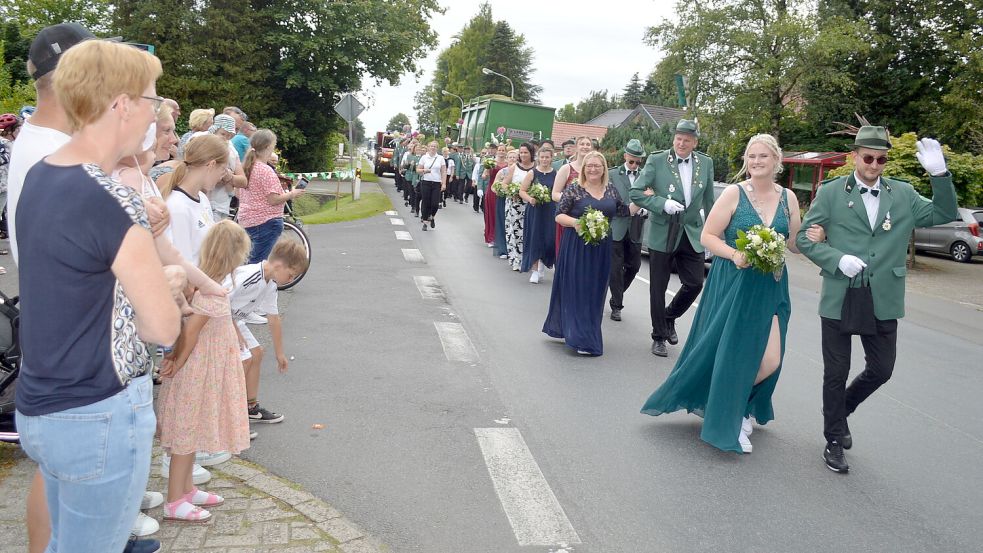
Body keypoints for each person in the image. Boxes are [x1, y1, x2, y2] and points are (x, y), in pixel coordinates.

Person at [15, 37, 182, 552]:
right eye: (153, 100)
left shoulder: (42, 175)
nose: (155, 113)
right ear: (123, 105)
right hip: (99, 410)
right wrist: (168, 283)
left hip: (42, 406)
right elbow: (163, 328)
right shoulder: (112, 199)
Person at [795, 126, 957, 473]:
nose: (873, 164)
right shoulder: (833, 192)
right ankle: (834, 438)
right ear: (855, 156)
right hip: (841, 293)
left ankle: (843, 410)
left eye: (880, 159)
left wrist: (940, 175)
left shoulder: (904, 193)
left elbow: (944, 215)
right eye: (867, 157)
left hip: (883, 296)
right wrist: (836, 258)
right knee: (836, 372)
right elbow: (804, 239)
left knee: (882, 369)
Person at [640, 134, 801, 454]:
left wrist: (820, 234)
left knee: (770, 360)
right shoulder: (734, 194)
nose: (756, 161)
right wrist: (734, 254)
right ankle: (733, 412)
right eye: (751, 156)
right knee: (734, 354)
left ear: (776, 161)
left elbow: (794, 243)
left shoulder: (789, 199)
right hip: (735, 283)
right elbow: (709, 237)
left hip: (772, 286)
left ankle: (732, 401)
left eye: (763, 157)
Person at [157, 221, 252, 523]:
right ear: (236, 255)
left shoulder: (213, 286)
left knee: (192, 431)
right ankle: (174, 500)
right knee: (185, 434)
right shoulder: (209, 292)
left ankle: (186, 488)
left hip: (205, 371)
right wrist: (177, 362)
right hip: (195, 373)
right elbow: (192, 331)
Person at [630, 119, 716, 358]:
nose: (681, 143)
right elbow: (636, 192)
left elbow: (709, 201)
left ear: (695, 142)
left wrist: (715, 233)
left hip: (691, 232)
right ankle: (658, 336)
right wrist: (661, 203)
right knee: (658, 287)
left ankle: (669, 316)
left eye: (687, 140)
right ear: (674, 139)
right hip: (663, 231)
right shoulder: (657, 160)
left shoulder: (705, 162)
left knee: (695, 283)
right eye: (678, 138)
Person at [543, 151, 634, 356]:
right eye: (589, 166)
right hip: (576, 246)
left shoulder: (610, 189)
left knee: (594, 290)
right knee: (578, 288)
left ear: (604, 169)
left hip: (601, 249)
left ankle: (585, 331)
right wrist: (578, 223)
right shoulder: (574, 188)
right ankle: (579, 336)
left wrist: (644, 201)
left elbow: (623, 211)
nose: (593, 169)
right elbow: (559, 215)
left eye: (597, 166)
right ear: (583, 169)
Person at [231, 239, 310, 427]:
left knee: (257, 353)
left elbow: (274, 319)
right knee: (244, 358)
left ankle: (250, 407)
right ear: (278, 265)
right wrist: (235, 331)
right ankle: (229, 416)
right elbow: (219, 298)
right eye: (291, 275)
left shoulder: (270, 285)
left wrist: (280, 353)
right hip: (219, 317)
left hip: (233, 320)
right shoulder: (249, 276)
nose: (291, 280)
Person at [238, 129, 305, 264]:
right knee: (257, 263)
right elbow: (273, 199)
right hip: (266, 221)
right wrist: (292, 194)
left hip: (247, 219)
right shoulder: (265, 170)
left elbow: (237, 193)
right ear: (268, 147)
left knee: (249, 259)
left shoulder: (246, 167)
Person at [161, 134, 230, 263]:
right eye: (223, 169)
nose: (224, 174)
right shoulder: (178, 207)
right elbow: (183, 264)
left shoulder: (202, 199)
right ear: (211, 165)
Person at [607, 139, 648, 321]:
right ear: (625, 156)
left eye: (638, 162)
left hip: (636, 227)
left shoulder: (646, 176)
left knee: (634, 266)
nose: (634, 165)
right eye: (631, 161)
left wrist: (647, 207)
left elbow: (651, 196)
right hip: (616, 225)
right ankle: (617, 305)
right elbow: (607, 196)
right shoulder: (613, 174)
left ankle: (617, 292)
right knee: (615, 268)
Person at [519, 145, 557, 282]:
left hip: (550, 210)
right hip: (535, 210)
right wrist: (530, 199)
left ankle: (543, 263)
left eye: (547, 157)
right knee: (535, 238)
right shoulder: (532, 173)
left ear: (551, 158)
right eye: (542, 157)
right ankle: (534, 270)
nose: (545, 159)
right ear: (538, 158)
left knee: (549, 239)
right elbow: (522, 191)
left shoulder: (556, 173)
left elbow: (558, 191)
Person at [207, 113, 248, 222]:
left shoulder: (231, 149)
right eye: (223, 134)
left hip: (223, 206)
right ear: (214, 131)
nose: (225, 139)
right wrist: (224, 177)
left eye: (229, 136)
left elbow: (243, 181)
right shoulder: (205, 146)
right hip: (207, 204)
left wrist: (229, 177)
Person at [505, 143, 535, 271]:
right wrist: (512, 192)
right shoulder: (514, 167)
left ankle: (528, 259)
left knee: (529, 232)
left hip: (531, 203)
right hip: (515, 203)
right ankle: (516, 259)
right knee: (516, 232)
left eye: (525, 152)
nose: (523, 155)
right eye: (521, 153)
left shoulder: (536, 168)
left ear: (531, 153)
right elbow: (504, 184)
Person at [493, 149, 518, 258]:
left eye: (514, 157)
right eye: (510, 157)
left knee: (514, 223)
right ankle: (503, 249)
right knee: (502, 222)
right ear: (507, 159)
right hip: (503, 199)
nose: (512, 159)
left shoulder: (519, 172)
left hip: (515, 199)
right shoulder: (502, 171)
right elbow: (493, 187)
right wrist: (500, 190)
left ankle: (514, 249)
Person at [416, 140, 446, 231]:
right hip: (426, 182)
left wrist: (444, 183)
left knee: (434, 203)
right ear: (428, 147)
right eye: (431, 146)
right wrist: (424, 170)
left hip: (436, 183)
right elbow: (418, 170)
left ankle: (432, 216)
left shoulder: (440, 158)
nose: (433, 148)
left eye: (435, 146)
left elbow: (443, 171)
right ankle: (425, 221)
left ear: (437, 148)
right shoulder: (424, 157)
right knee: (426, 202)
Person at [483, 144, 507, 248]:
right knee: (491, 213)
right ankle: (491, 237)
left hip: (504, 191)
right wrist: (486, 173)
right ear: (497, 151)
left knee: (501, 214)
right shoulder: (491, 162)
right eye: (500, 150)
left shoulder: (509, 163)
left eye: (503, 150)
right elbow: (484, 175)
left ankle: (500, 237)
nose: (501, 152)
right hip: (492, 190)